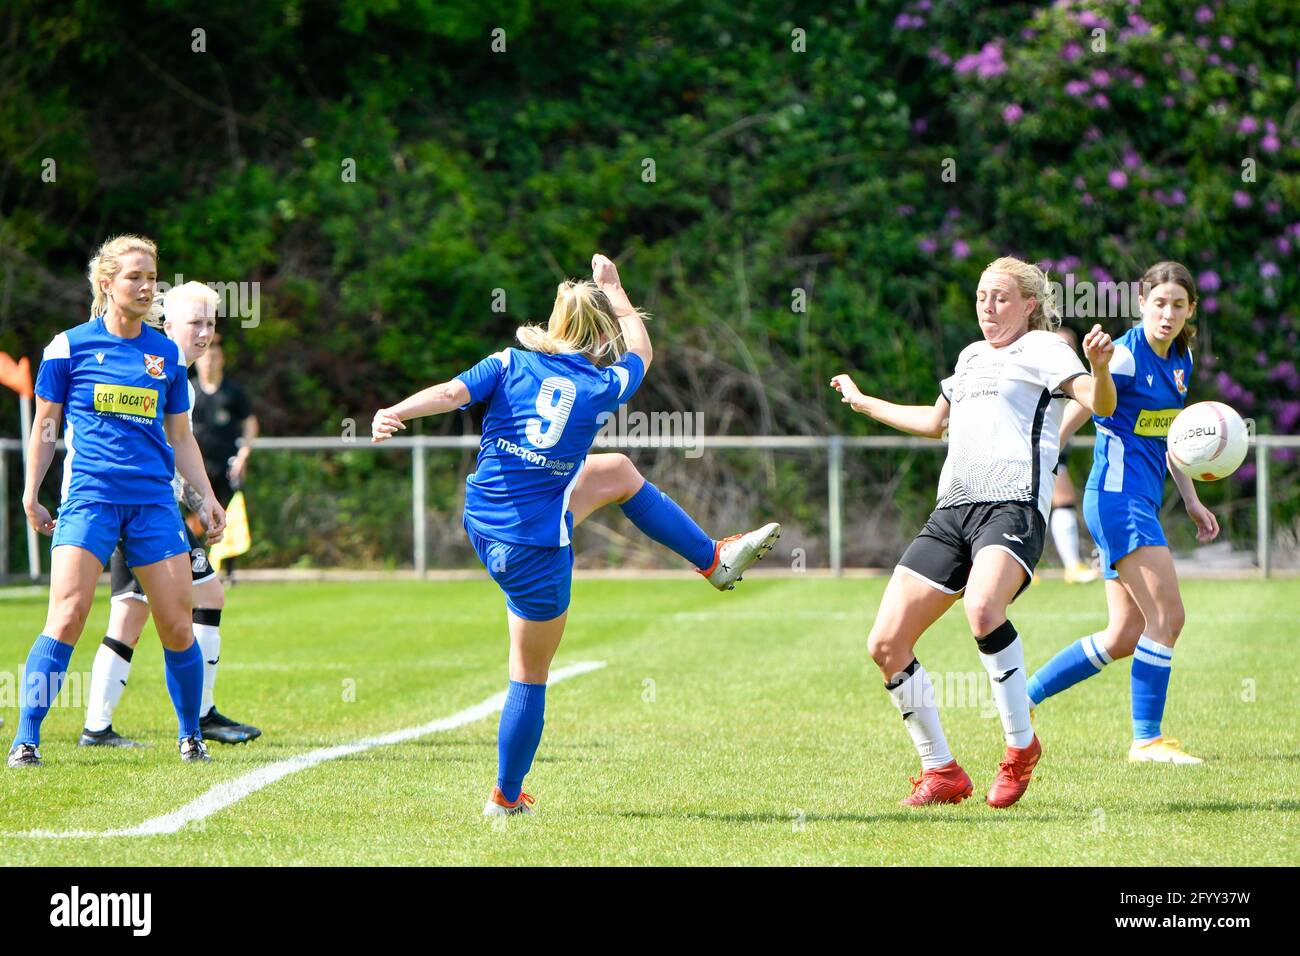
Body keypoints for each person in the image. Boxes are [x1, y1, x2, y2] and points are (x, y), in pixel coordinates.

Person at [372, 254, 780, 816]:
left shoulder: (509, 362)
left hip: (484, 521)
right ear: (601, 333)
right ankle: (506, 798)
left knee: (614, 471)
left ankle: (713, 559)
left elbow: (447, 394)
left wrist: (392, 411)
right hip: (535, 549)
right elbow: (644, 351)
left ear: (555, 323)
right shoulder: (601, 385)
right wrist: (616, 291)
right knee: (529, 673)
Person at [831, 256, 1116, 808]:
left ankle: (1019, 748)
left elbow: (1097, 402)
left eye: (1001, 297)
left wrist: (1099, 369)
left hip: (1011, 508)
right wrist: (863, 402)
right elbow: (933, 423)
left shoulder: (1044, 349)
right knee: (886, 644)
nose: (988, 307)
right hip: (952, 511)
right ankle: (940, 771)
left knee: (984, 610)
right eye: (982, 296)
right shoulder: (968, 357)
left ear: (1029, 304)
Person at [11, 235, 226, 767]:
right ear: (106, 283)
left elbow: (181, 438)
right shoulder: (67, 347)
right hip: (90, 499)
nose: (146, 285)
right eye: (135, 276)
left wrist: (206, 499)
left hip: (153, 504)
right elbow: (44, 425)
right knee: (67, 614)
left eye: (151, 275)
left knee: (178, 621)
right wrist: (31, 492)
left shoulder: (167, 354)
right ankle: (26, 739)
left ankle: (190, 735)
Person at [1026, 261, 1218, 764]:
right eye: (1159, 303)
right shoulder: (1127, 356)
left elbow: (1171, 440)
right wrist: (1050, 452)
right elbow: (1088, 404)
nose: (1168, 313)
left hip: (1136, 500)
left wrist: (1193, 499)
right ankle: (1148, 741)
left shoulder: (1181, 360)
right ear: (1141, 304)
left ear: (1190, 309)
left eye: (1179, 305)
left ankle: (1022, 698)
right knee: (1169, 617)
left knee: (1125, 634)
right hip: (1118, 501)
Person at [78, 281, 261, 749]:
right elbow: (158, 451)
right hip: (139, 510)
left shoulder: (176, 369)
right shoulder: (160, 366)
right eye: (195, 322)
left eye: (211, 324)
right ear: (167, 324)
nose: (204, 333)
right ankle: (196, 716)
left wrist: (201, 501)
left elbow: (174, 448)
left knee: (134, 612)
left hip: (150, 508)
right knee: (187, 601)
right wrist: (201, 502)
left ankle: (102, 726)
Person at [192, 338, 256, 577]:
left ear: (221, 360)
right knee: (197, 518)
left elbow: (250, 423)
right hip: (197, 469)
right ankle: (198, 566)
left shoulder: (233, 392)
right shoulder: (190, 391)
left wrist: (243, 455)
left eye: (214, 358)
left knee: (228, 518)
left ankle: (228, 572)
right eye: (205, 359)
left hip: (226, 466)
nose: (209, 364)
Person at [1049, 326, 1100, 584]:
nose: (1065, 350)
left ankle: (1069, 565)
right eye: (1059, 345)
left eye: (1069, 345)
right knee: (1060, 498)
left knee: (1058, 499)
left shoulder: (1074, 380)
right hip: (1038, 447)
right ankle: (1071, 565)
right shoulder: (1043, 372)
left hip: (1054, 447)